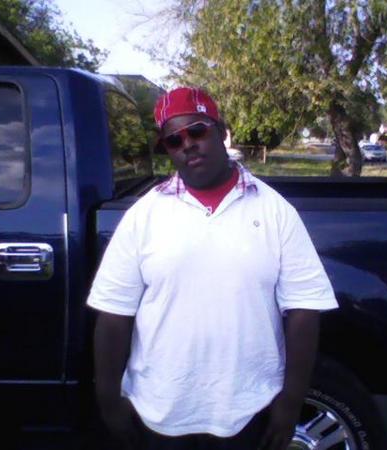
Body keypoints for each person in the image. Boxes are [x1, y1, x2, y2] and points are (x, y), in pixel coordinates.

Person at [87, 87, 338, 450]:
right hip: (158, 412)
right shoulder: (144, 216)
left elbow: (304, 310)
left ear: (221, 131)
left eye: (197, 131)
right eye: (174, 140)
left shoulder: (275, 211)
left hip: (249, 411)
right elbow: (113, 314)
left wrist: (290, 402)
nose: (187, 144)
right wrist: (108, 399)